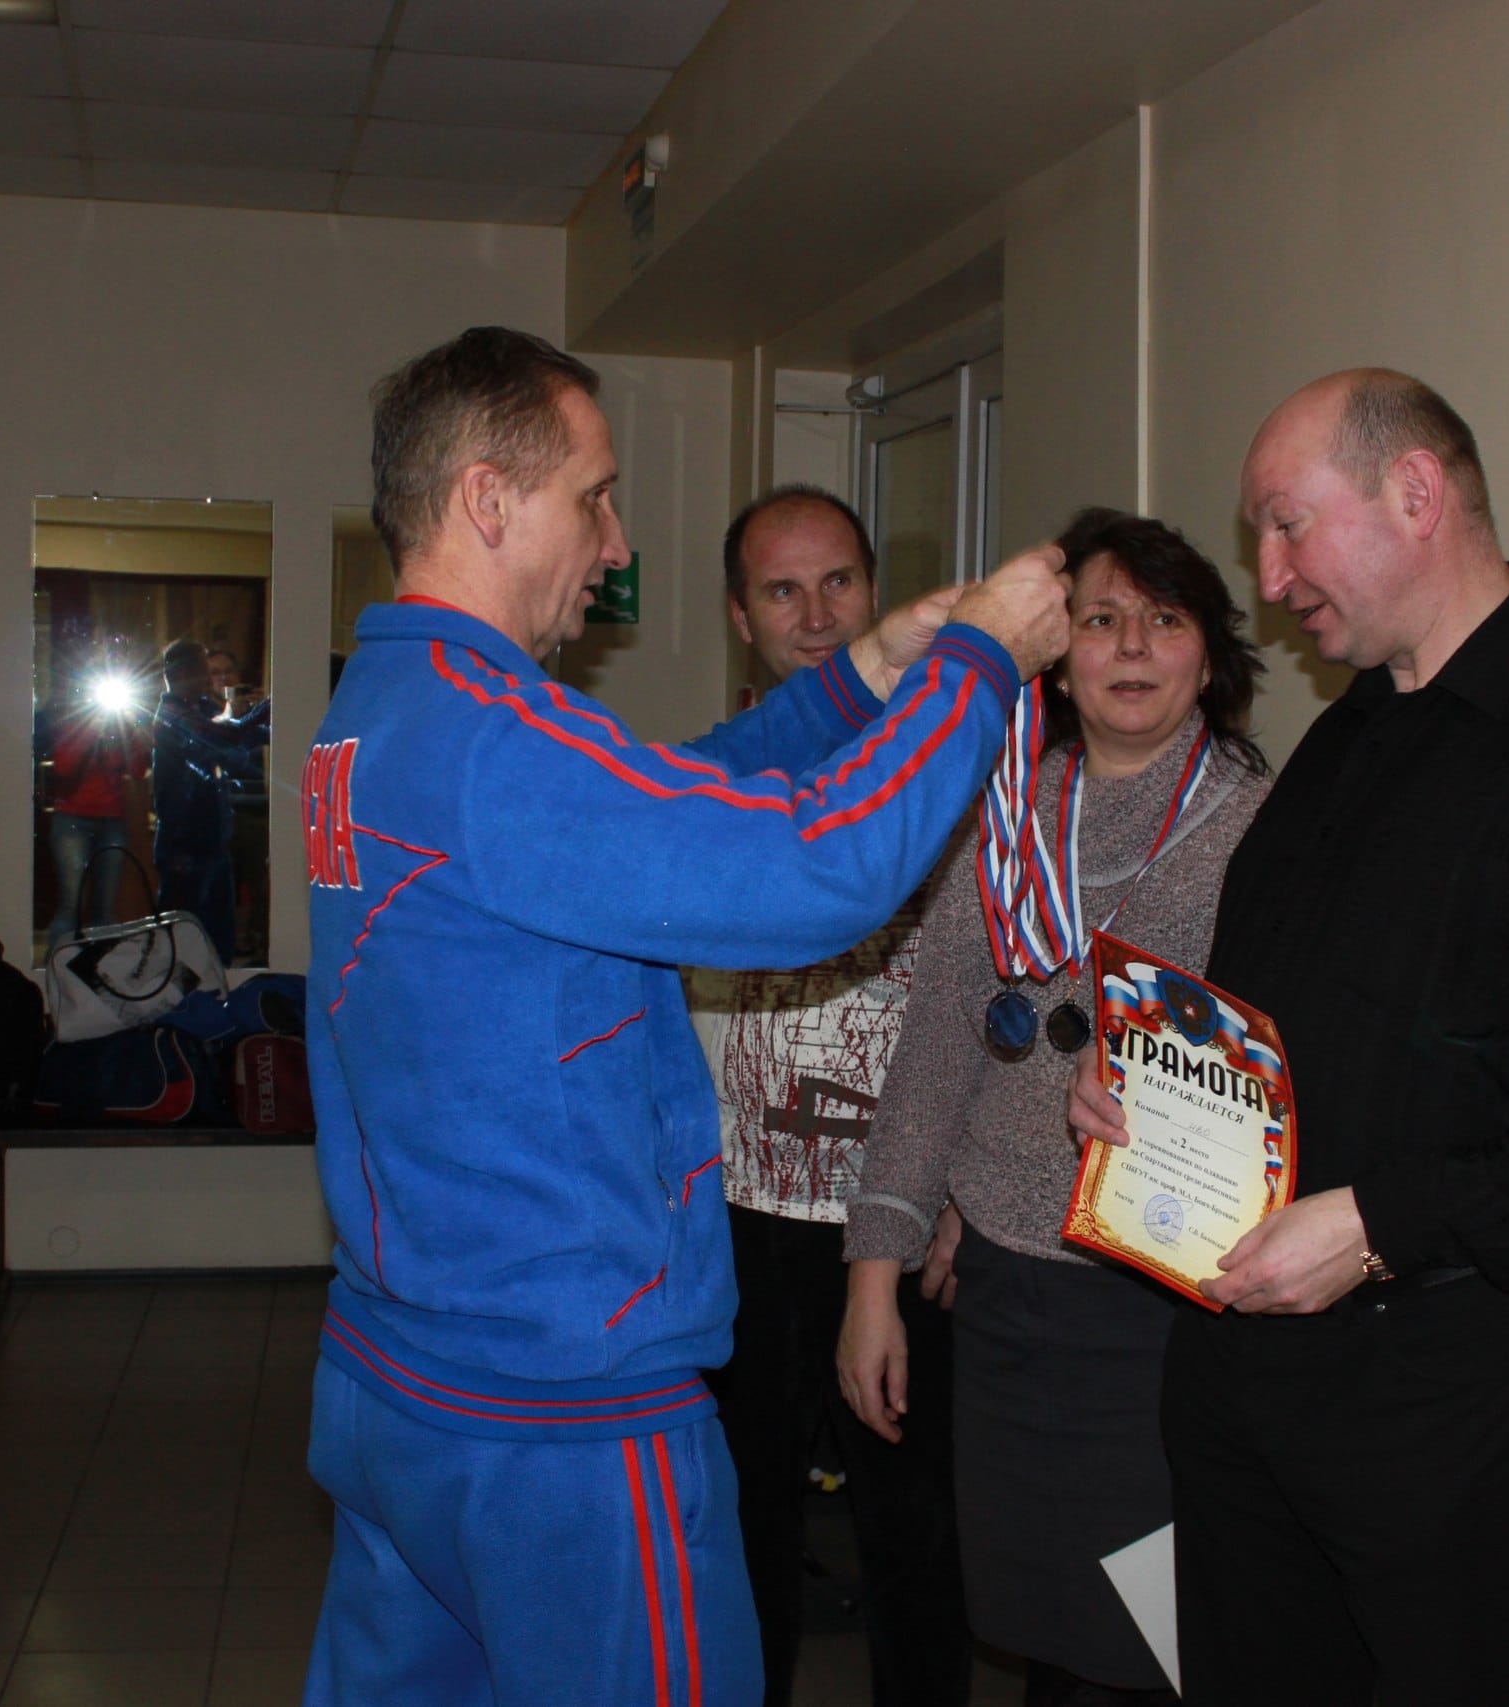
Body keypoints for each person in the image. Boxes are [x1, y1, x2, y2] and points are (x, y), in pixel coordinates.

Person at [302, 325, 1070, 1707]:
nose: (614, 543)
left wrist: (863, 678)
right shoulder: (496, 736)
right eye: (593, 496)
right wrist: (979, 665)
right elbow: (814, 869)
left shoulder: (386, 704)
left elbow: (662, 796)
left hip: (405, 1375)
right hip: (558, 1413)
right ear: (488, 499)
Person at [1071, 371, 1509, 1706]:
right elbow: (1274, 1028)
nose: (1269, 578)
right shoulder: (1340, 742)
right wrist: (1145, 1091)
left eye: (1288, 526)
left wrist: (1384, 1222)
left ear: (1414, 492)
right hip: (1240, 1387)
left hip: (1449, 1404)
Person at [844, 508, 1273, 1706]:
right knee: (1041, 1630)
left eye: (1164, 619)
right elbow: (937, 1054)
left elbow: (1295, 1071)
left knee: (1149, 1647)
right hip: (1003, 1299)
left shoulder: (1264, 829)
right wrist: (873, 1282)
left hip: (1163, 1310)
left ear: (1208, 654)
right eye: (1099, 619)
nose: (1131, 646)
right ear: (1054, 652)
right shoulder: (1004, 816)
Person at [686, 484, 972, 1707]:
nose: (815, 617)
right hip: (737, 1222)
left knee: (917, 1536)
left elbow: (1008, 993)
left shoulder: (953, 778)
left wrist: (965, 1192)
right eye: (782, 592)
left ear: (876, 593)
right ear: (739, 616)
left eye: (838, 583)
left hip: (901, 1222)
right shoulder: (701, 794)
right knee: (740, 1529)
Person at [150, 639, 266, 961]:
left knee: (218, 935)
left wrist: (255, 718)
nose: (209, 679)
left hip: (212, 838)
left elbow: (235, 740)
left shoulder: (199, 708)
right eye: (203, 670)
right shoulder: (171, 715)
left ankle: (217, 985)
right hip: (183, 844)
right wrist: (263, 711)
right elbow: (222, 738)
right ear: (184, 673)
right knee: (182, 938)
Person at [44, 659, 149, 946]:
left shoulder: (122, 727)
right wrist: (92, 728)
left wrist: (130, 730)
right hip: (72, 820)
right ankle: (57, 966)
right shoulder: (74, 722)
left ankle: (104, 968)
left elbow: (137, 771)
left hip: (112, 820)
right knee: (72, 904)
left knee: (106, 909)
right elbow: (64, 767)